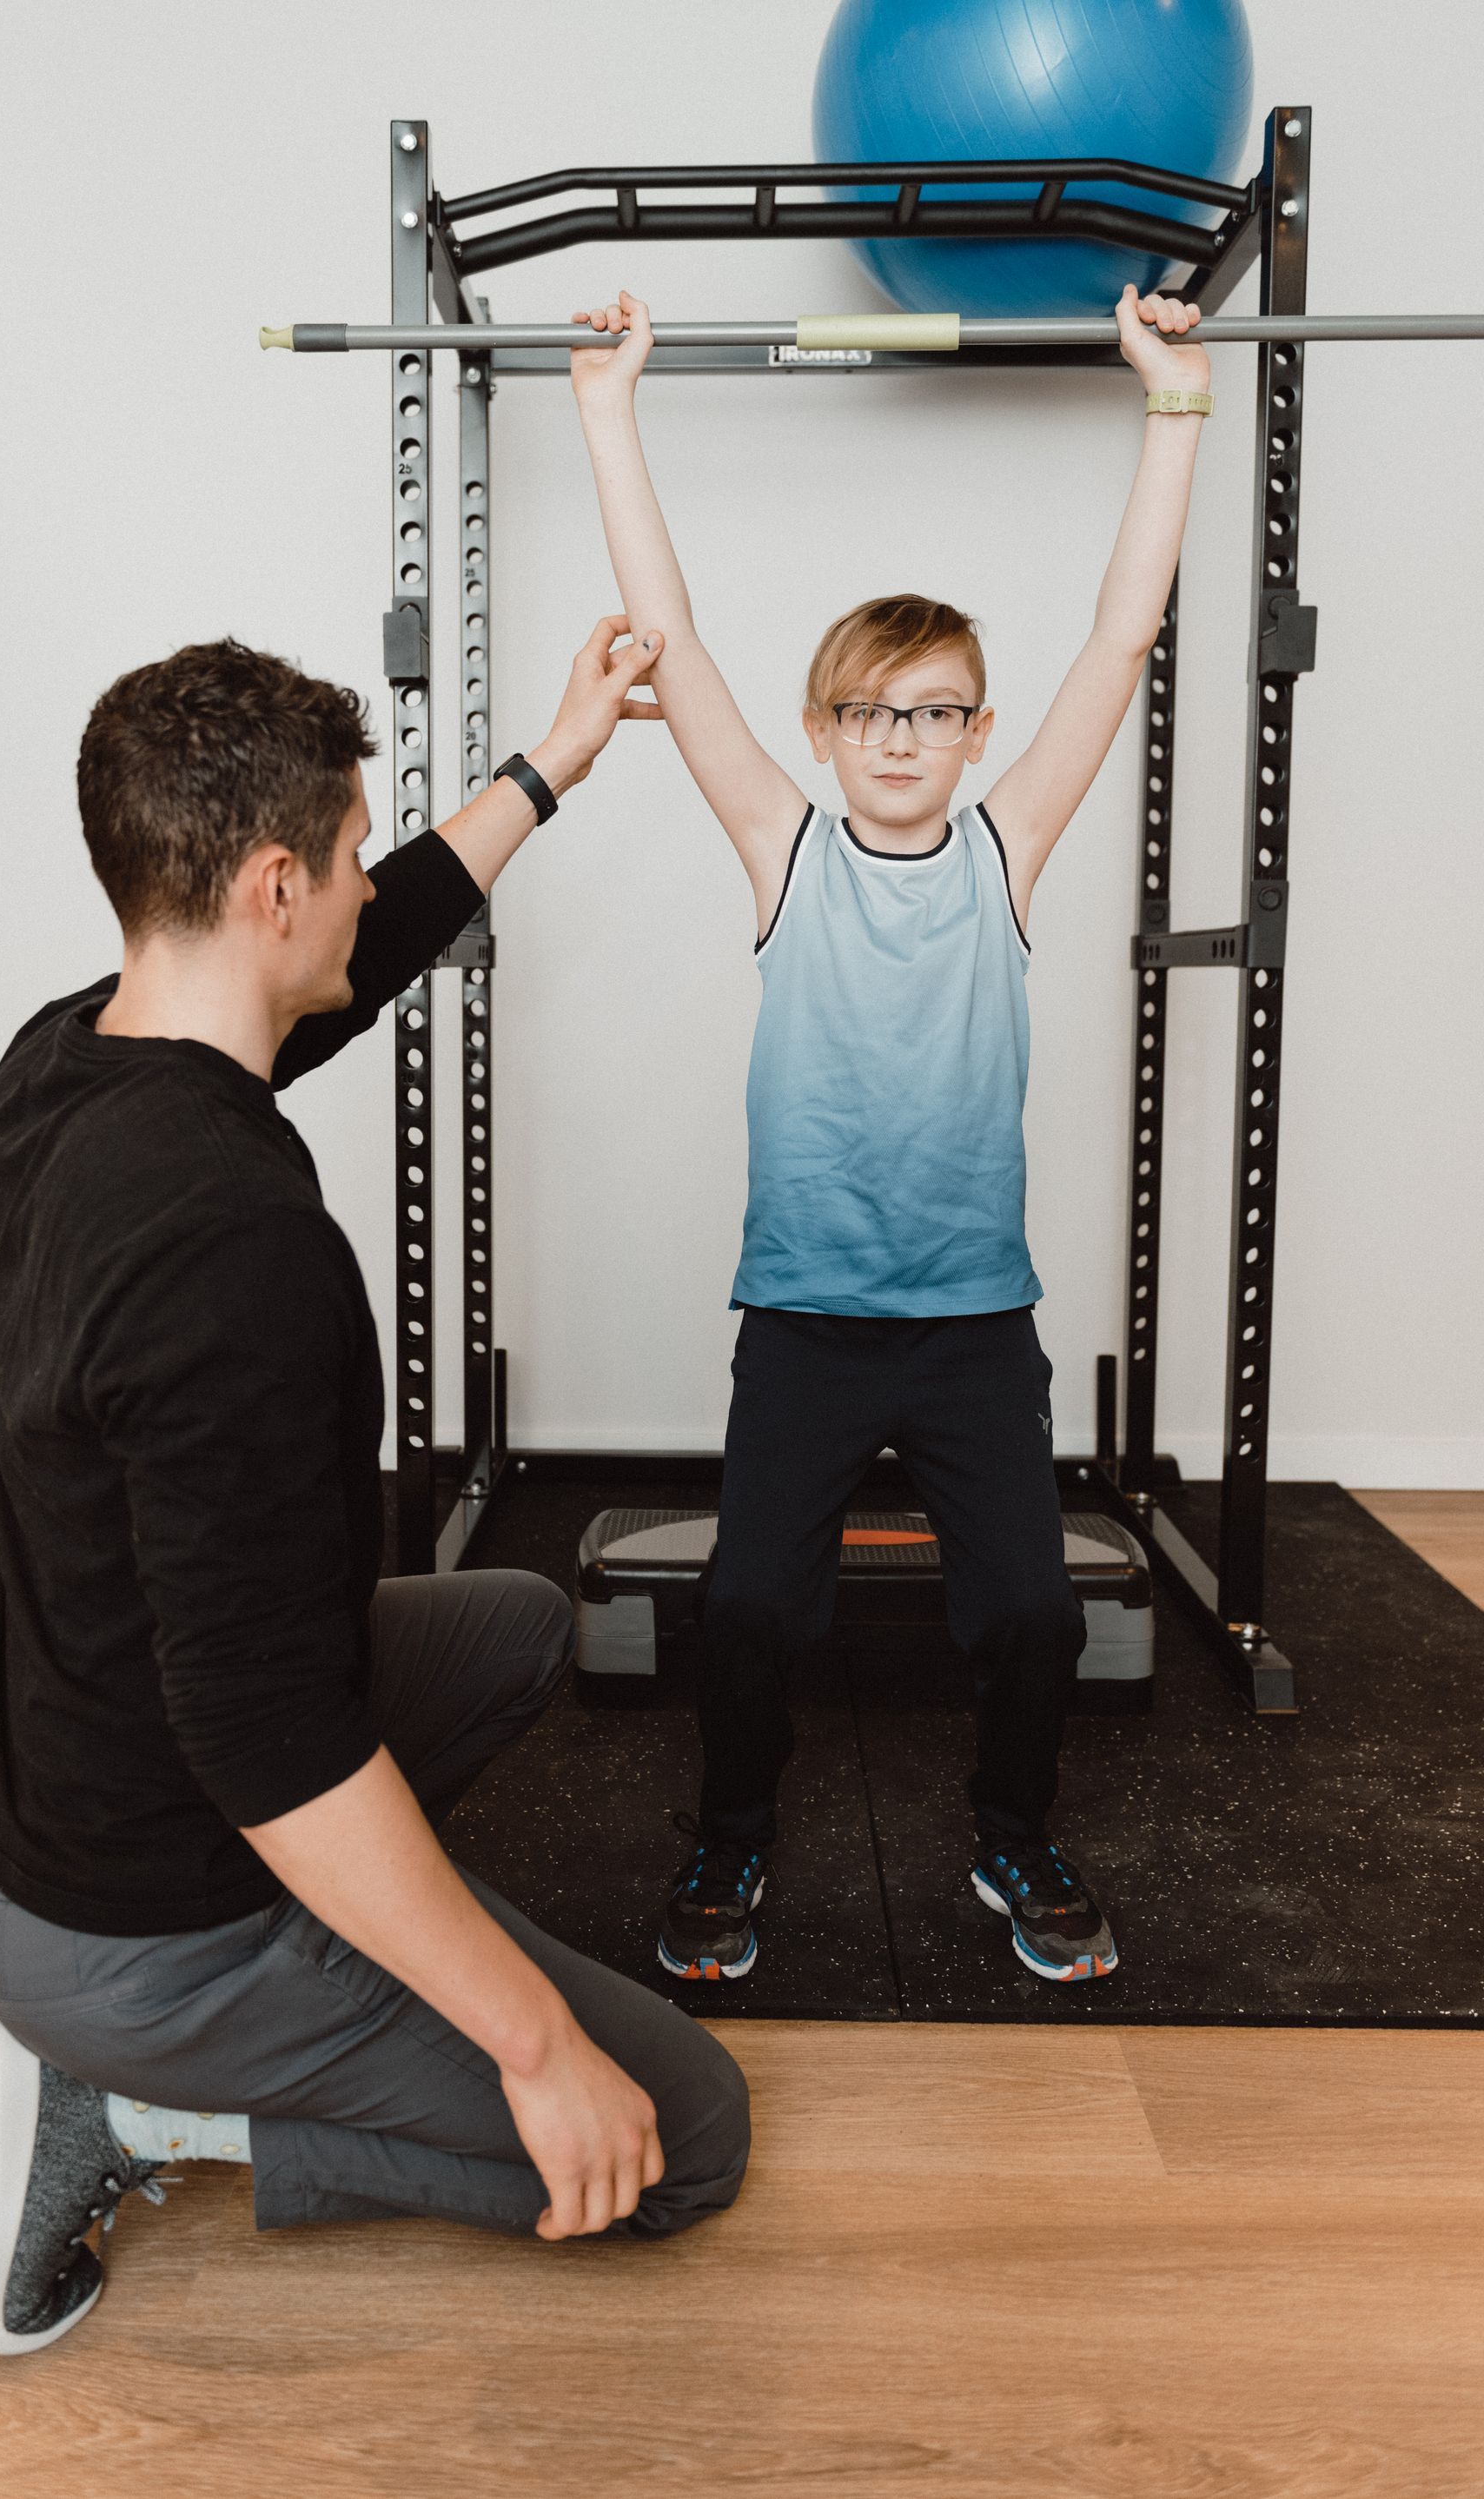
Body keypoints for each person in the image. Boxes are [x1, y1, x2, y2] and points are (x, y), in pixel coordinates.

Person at [0, 620, 751, 2358]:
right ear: (271, 885)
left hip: (64, 1777)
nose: (365, 887)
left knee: (518, 1629)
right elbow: (270, 1749)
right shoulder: (239, 1257)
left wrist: (549, 766)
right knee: (680, 2134)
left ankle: (283, 1994)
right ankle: (146, 2115)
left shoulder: (70, 1058)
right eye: (351, 854)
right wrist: (532, 2041)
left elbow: (357, 962)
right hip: (146, 1915)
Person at [569, 283, 1214, 1987]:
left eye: (937, 713)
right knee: (754, 1611)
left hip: (968, 1327)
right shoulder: (788, 853)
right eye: (874, 713)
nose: (906, 741)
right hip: (803, 1322)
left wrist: (1175, 405)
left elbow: (1120, 640)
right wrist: (607, 407)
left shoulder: (1007, 852)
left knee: (1030, 1611)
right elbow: (677, 640)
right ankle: (731, 1844)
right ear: (827, 731)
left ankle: (1013, 1836)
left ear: (979, 733)